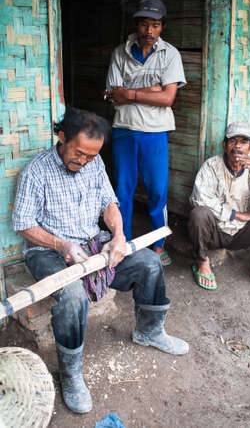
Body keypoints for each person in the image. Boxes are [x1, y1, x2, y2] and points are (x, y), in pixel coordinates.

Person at [12, 107, 189, 415]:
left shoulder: (94, 165)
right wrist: (61, 244)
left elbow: (110, 204)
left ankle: (149, 330)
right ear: (62, 137)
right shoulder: (37, 171)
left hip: (94, 244)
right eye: (79, 153)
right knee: (72, 297)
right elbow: (24, 223)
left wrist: (118, 236)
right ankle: (71, 373)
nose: (83, 161)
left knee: (148, 262)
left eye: (91, 156)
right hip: (48, 251)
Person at [105, 0, 186, 266]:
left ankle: (158, 243)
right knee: (123, 189)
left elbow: (168, 99)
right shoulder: (121, 52)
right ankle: (122, 242)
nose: (149, 31)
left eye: (155, 25)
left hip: (155, 131)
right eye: (144, 24)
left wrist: (132, 93)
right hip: (125, 130)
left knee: (157, 190)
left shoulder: (170, 54)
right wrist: (154, 89)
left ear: (162, 27)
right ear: (136, 25)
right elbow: (114, 96)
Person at [188, 121, 250, 305]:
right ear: (224, 145)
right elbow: (198, 198)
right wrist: (237, 215)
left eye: (244, 142)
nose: (238, 147)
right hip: (216, 232)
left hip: (243, 234)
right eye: (233, 141)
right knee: (198, 213)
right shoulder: (211, 166)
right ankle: (202, 262)